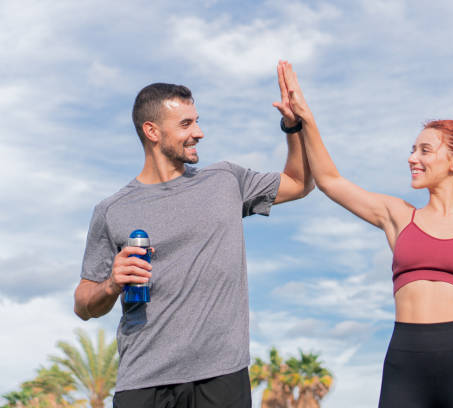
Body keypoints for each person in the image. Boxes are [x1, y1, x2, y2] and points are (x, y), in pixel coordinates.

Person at [276, 61, 453, 408]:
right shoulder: (398, 216)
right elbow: (330, 181)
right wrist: (304, 120)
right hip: (405, 364)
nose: (412, 158)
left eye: (424, 150)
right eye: (412, 149)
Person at [74, 69, 313, 408]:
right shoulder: (112, 210)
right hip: (144, 381)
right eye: (185, 124)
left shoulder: (226, 180)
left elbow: (300, 182)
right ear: (152, 131)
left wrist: (293, 126)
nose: (198, 133)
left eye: (196, 121)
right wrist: (111, 284)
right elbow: (83, 304)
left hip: (222, 376)